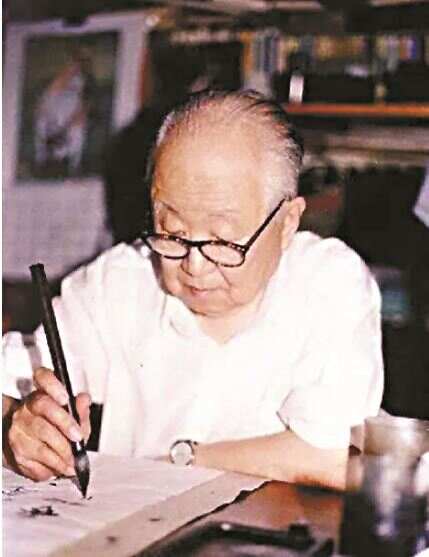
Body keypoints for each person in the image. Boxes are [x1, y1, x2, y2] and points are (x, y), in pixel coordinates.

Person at [2, 90, 383, 489]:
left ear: (287, 222)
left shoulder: (328, 283)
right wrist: (16, 426)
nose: (194, 267)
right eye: (172, 233)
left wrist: (182, 460)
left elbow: (334, 455)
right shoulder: (122, 280)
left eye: (222, 241)